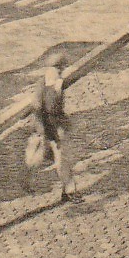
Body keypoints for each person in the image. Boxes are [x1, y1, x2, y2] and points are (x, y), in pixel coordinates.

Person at [24, 60, 82, 203]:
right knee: (43, 159)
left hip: (51, 130)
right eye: (57, 69)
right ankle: (27, 181)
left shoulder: (48, 84)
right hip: (48, 130)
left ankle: (68, 191)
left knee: (60, 161)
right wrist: (57, 91)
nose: (59, 73)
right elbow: (48, 109)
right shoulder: (47, 87)